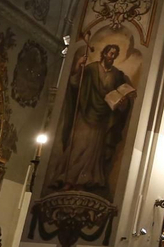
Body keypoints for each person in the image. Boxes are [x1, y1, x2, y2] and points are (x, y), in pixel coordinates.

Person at [48, 43, 134, 195]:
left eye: (115, 54)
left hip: (102, 118)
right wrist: (78, 65)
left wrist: (122, 101)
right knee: (78, 146)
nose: (112, 57)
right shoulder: (91, 69)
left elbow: (121, 92)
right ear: (104, 53)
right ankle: (68, 179)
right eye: (110, 53)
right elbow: (75, 83)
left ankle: (84, 181)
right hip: (86, 112)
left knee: (92, 151)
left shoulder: (116, 74)